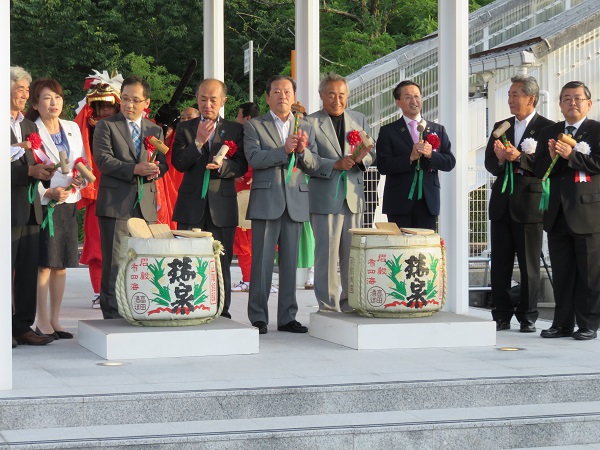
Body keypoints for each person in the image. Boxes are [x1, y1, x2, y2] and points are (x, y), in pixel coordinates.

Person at [243, 75, 320, 335]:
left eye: (287, 91)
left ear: (293, 96)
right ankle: (258, 316)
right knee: (262, 263)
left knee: (290, 263)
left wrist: (301, 152)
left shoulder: (306, 126)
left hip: (296, 199)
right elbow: (254, 158)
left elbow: (314, 163)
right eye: (276, 91)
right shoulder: (254, 125)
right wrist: (284, 150)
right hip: (267, 199)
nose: (282, 96)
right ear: (267, 97)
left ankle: (287, 317)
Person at [93, 75, 168, 319]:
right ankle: (112, 314)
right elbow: (103, 160)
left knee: (142, 263)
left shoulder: (155, 130)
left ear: (147, 102)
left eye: (136, 100)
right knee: (115, 263)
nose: (129, 105)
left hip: (145, 204)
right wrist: (134, 169)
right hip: (116, 204)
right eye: (125, 99)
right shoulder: (107, 125)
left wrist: (156, 171)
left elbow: (164, 163)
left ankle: (138, 310)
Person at [171, 79, 247, 319]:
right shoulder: (185, 128)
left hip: (221, 204)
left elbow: (242, 166)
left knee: (221, 261)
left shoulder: (235, 130)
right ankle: (188, 307)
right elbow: (179, 163)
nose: (207, 104)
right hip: (191, 204)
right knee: (188, 260)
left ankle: (222, 309)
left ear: (223, 100)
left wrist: (223, 166)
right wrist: (199, 142)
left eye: (213, 99)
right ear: (197, 99)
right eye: (203, 98)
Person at [485, 75, 554, 333]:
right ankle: (501, 314)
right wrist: (502, 160)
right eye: (509, 95)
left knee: (529, 265)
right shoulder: (500, 125)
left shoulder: (547, 127)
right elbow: (490, 164)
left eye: (516, 95)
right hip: (502, 202)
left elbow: (546, 167)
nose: (510, 99)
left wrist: (519, 158)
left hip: (529, 203)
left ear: (531, 98)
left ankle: (528, 315)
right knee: (500, 263)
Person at [533, 81, 600, 341]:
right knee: (562, 274)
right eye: (567, 99)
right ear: (560, 104)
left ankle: (589, 324)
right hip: (557, 211)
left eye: (578, 98)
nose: (573, 103)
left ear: (589, 103)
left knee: (590, 273)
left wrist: (572, 156)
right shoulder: (549, 131)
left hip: (588, 213)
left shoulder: (596, 130)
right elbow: (537, 170)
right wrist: (552, 158)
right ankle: (562, 324)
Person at [305, 72, 375, 313]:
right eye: (332, 94)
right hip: (325, 196)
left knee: (351, 255)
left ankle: (351, 303)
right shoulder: (309, 122)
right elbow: (307, 160)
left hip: (353, 197)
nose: (337, 100)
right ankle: (328, 306)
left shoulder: (359, 119)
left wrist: (360, 159)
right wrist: (334, 164)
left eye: (342, 95)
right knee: (326, 255)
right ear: (322, 95)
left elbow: (371, 152)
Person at [25, 78, 87, 339]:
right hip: (44, 203)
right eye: (47, 98)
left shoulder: (72, 127)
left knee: (61, 264)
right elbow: (27, 171)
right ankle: (41, 320)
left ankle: (55, 319)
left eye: (58, 97)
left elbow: (81, 161)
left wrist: (80, 180)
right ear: (36, 104)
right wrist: (46, 191)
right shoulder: (31, 130)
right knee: (44, 264)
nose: (54, 103)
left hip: (68, 201)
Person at [10, 66, 55, 346]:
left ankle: (22, 326)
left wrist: (45, 171)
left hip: (30, 208)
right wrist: (28, 173)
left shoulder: (28, 124)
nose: (25, 94)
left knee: (27, 269)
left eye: (27, 89)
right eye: (19, 89)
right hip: (7, 208)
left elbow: (34, 161)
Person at [376, 80, 455, 230]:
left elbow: (450, 162)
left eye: (417, 96)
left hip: (428, 200)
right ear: (398, 102)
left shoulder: (437, 129)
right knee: (399, 250)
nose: (414, 101)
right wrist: (410, 158)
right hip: (399, 201)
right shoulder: (388, 131)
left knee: (424, 249)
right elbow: (383, 166)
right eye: (407, 97)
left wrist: (431, 155)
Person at [74, 70, 122, 309]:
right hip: (97, 190)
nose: (104, 111)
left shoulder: (126, 128)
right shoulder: (84, 130)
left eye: (109, 106)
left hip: (123, 191)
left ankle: (121, 291)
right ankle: (98, 290)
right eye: (100, 106)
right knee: (96, 243)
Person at [232, 101, 260, 293]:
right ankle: (251, 279)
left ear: (247, 118)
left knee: (248, 238)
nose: (236, 119)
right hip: (244, 189)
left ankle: (251, 279)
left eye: (239, 114)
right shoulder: (239, 136)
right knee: (248, 238)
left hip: (249, 190)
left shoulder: (253, 136)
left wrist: (249, 174)